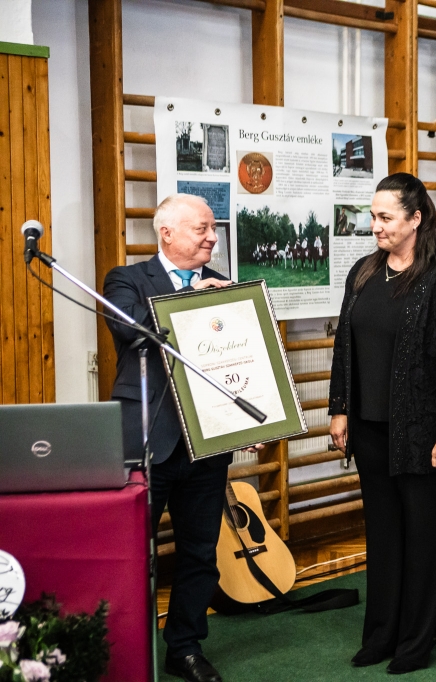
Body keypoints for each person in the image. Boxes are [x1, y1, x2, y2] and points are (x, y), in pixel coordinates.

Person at [327, 173, 436, 674]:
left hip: (424, 437)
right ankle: (381, 636)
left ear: (416, 219)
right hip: (370, 432)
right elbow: (344, 345)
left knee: (423, 540)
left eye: (385, 217)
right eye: (373, 216)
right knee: (383, 537)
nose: (375, 225)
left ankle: (416, 642)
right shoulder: (363, 272)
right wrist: (339, 408)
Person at [103, 193, 255, 682]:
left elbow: (241, 363)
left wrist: (254, 421)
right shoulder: (127, 279)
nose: (213, 238)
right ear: (166, 233)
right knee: (132, 553)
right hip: (147, 440)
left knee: (200, 553)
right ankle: (125, 647)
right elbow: (130, 331)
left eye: (213, 229)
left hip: (207, 443)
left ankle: (185, 647)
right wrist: (192, 301)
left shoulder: (224, 285)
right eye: (202, 229)